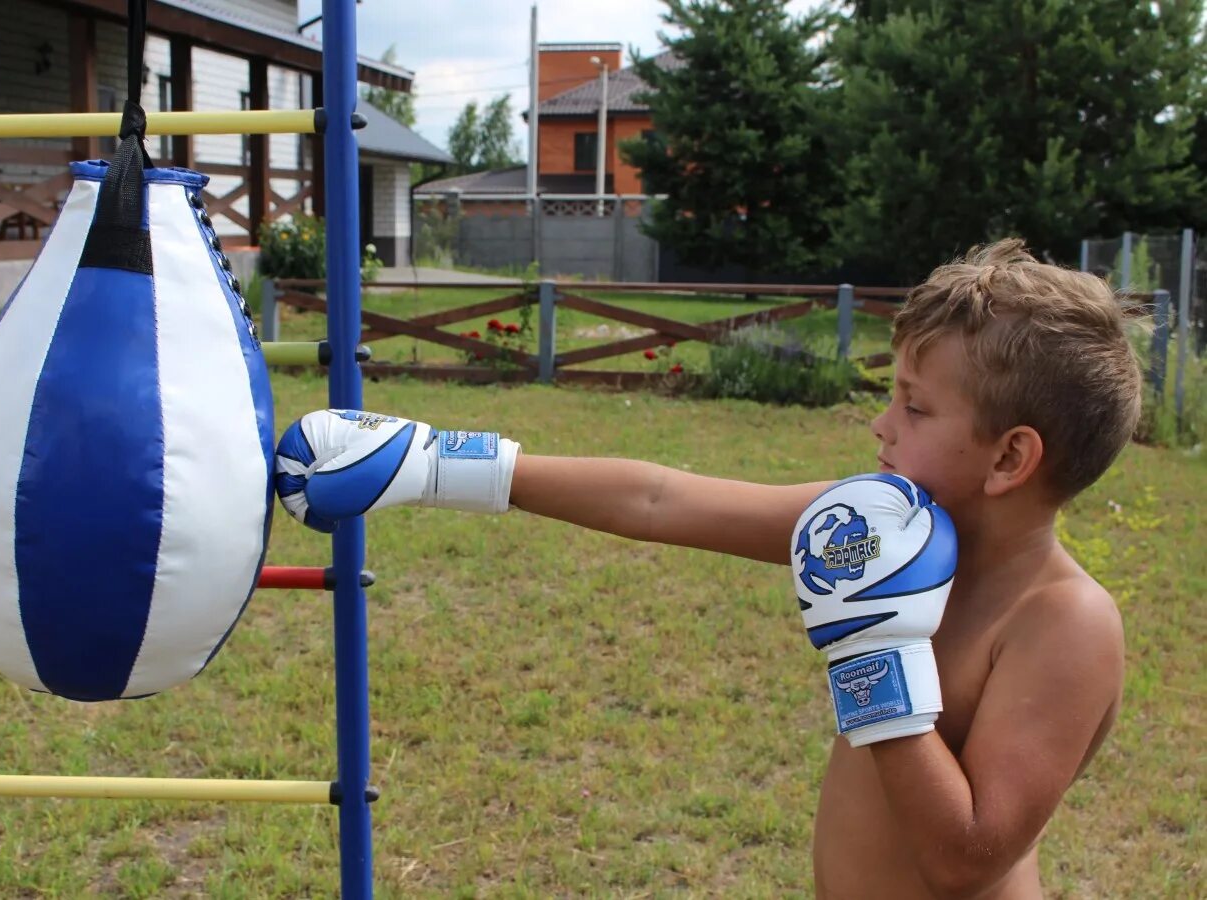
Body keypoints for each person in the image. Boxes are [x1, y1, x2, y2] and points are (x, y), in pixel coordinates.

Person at [274, 239, 1140, 898]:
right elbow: (663, 501)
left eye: (914, 407)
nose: (881, 426)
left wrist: (875, 657)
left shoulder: (1064, 624)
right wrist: (441, 463)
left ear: (1009, 458)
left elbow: (965, 856)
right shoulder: (877, 534)